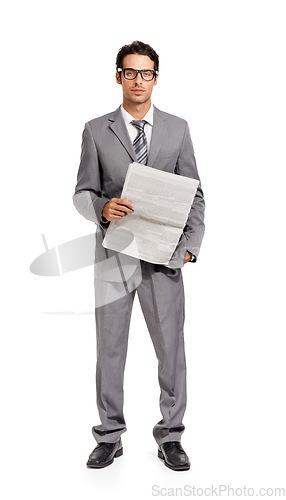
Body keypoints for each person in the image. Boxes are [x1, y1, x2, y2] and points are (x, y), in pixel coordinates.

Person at [73, 41, 205, 471]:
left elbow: (195, 195)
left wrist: (189, 246)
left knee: (171, 349)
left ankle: (171, 436)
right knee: (109, 348)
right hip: (115, 254)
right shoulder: (96, 130)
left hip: (164, 256)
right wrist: (100, 209)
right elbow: (82, 192)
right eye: (130, 72)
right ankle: (110, 435)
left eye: (146, 73)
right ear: (118, 76)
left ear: (156, 77)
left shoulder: (177, 128)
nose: (138, 81)